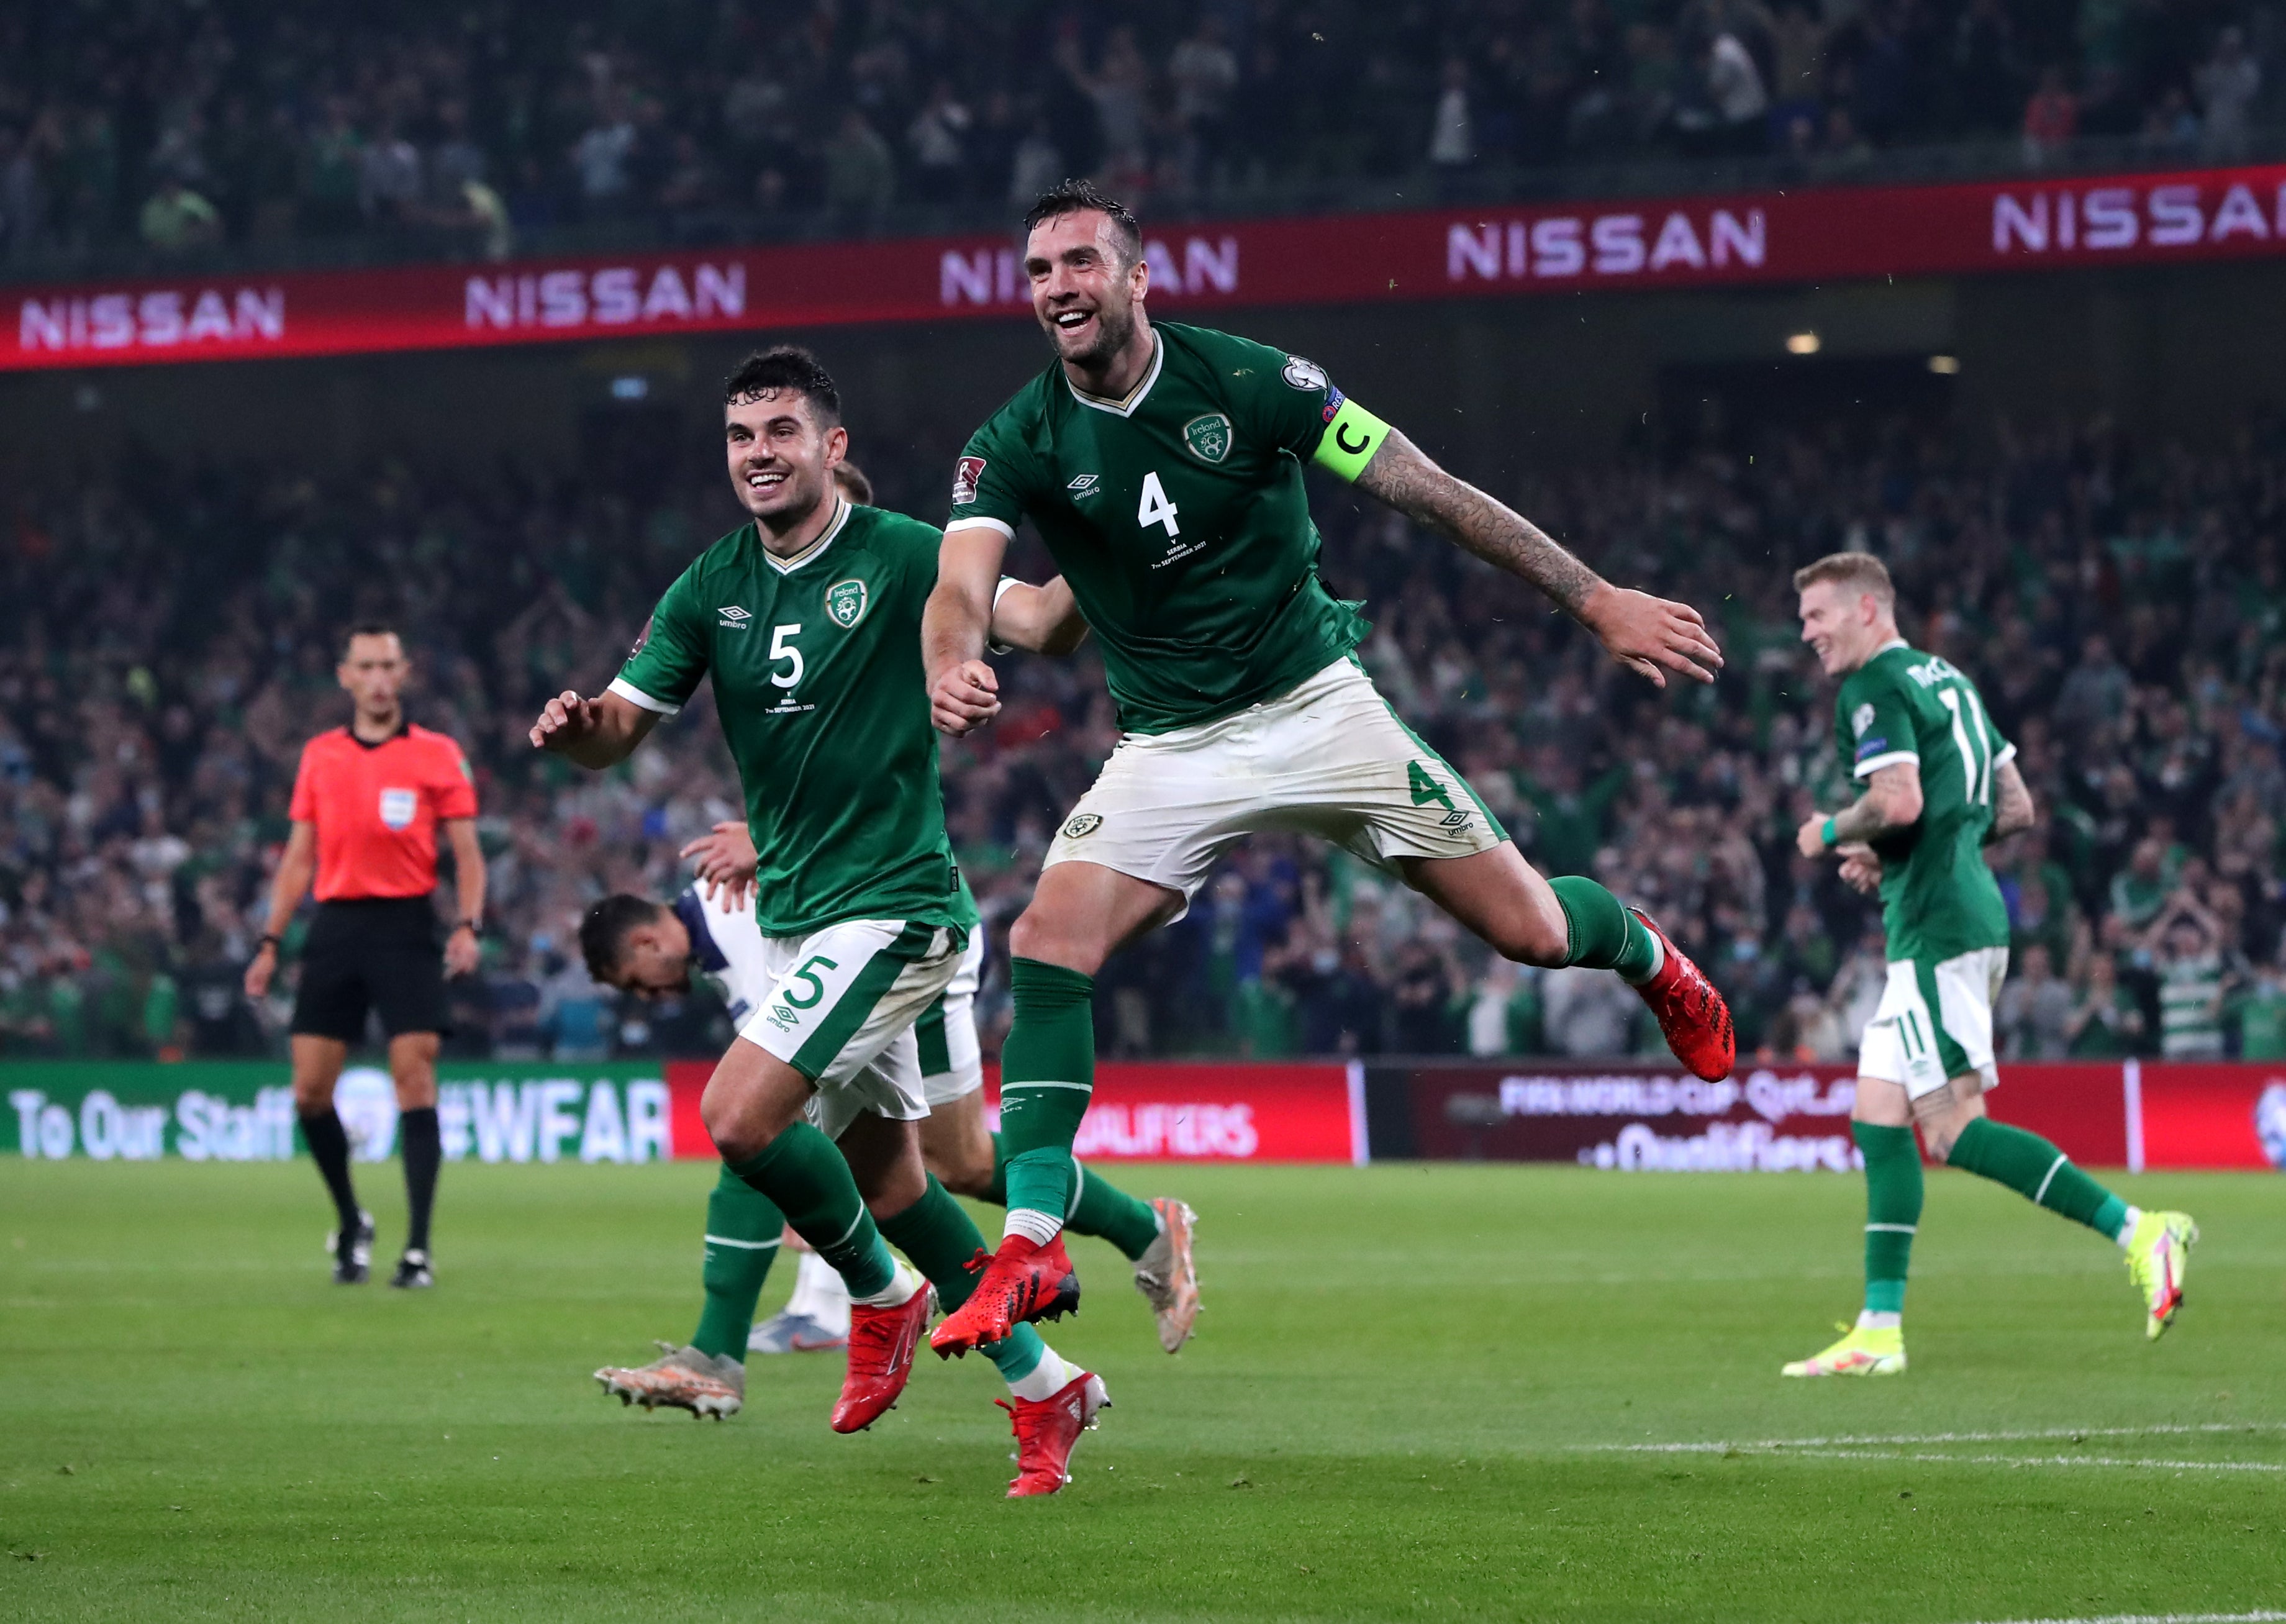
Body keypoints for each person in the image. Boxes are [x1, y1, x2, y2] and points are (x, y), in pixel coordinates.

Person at [922, 179, 1735, 1356]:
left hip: (1318, 709)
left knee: (1533, 934)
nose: (1059, 287)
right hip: (1172, 747)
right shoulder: (1013, 440)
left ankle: (1651, 955)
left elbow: (1429, 490)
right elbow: (963, 586)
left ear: (1138, 278)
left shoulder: (1254, 381)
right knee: (1050, 944)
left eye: (1081, 263)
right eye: (1040, 270)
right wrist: (952, 656)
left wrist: (1593, 596)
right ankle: (1034, 1239)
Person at [530, 346, 1110, 1496]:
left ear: (830, 447)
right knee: (898, 1189)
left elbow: (1043, 625)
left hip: (892, 908)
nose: (759, 456)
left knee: (738, 1119)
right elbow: (619, 732)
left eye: (782, 434)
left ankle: (886, 1301)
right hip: (801, 915)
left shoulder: (902, 554)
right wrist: (580, 725)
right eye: (742, 438)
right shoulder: (711, 586)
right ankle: (1053, 1389)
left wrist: (1125, 537)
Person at [582, 824, 1201, 1420]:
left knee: (767, 1126)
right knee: (939, 1166)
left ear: (646, 943)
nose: (653, 997)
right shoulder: (719, 931)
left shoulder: (732, 917)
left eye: (640, 984)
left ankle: (718, 1353)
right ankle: (1131, 1249)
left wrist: (806, 1198)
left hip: (910, 943)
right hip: (888, 933)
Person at [1786, 551, 2195, 1377]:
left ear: (1867, 609)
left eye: (1817, 616)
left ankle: (2140, 1228)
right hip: (1957, 913)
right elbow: (2014, 806)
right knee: (1877, 1113)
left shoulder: (1873, 688)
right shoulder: (1949, 680)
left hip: (1937, 929)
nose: (1807, 634)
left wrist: (1833, 830)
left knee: (1950, 1126)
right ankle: (1878, 1327)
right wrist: (1892, 852)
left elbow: (1898, 799)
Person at [243, 624, 483, 1289]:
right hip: (336, 925)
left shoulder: (438, 754)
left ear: (404, 674)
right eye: (366, 666)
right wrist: (269, 941)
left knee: (415, 1077)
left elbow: (466, 854)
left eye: (388, 666)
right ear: (345, 676)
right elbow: (298, 858)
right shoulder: (320, 756)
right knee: (310, 1091)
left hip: (406, 925)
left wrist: (467, 924)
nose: (378, 678)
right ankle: (352, 1221)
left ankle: (417, 1248)